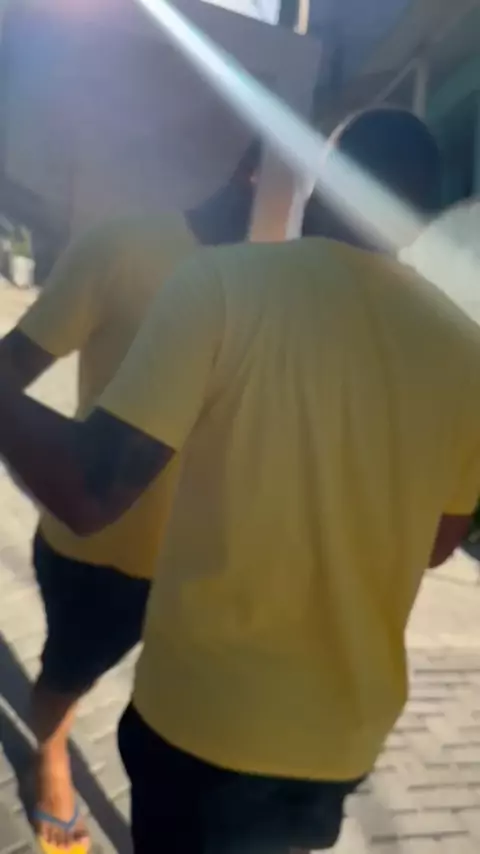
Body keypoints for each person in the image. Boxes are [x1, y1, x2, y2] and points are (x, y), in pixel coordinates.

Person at [1, 108, 476, 854]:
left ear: (319, 179)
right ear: (420, 221)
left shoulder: (226, 285)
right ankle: (51, 754)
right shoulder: (466, 351)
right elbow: (439, 543)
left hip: (210, 724)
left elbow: (90, 489)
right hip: (342, 737)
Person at [0, 140, 260, 853]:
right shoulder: (124, 248)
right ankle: (51, 755)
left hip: (220, 571)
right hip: (105, 555)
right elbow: (13, 367)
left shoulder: (298, 296)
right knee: (67, 675)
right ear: (255, 172)